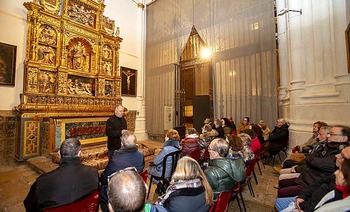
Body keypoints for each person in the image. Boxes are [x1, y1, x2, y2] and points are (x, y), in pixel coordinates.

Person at [24, 138, 99, 211]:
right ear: (80, 153)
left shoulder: (42, 182)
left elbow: (29, 206)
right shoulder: (93, 173)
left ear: (59, 154)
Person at [277, 125, 350, 198]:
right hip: (308, 177)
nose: (328, 136)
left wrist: (308, 161)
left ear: (344, 138)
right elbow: (312, 157)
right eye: (328, 133)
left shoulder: (343, 152)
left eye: (332, 134)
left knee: (282, 193)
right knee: (283, 182)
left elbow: (315, 161)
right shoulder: (329, 146)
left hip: (313, 182)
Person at [275, 146, 350, 212]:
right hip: (308, 193)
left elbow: (320, 204)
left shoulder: (341, 197)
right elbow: (318, 182)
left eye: (342, 156)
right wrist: (302, 196)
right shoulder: (325, 147)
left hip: (308, 187)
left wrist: (303, 206)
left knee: (281, 197)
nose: (336, 156)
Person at [100, 130, 145, 211]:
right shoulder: (140, 155)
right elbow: (141, 170)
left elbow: (105, 179)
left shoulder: (115, 159)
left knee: (102, 189)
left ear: (121, 143)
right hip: (135, 188)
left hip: (119, 191)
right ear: (135, 143)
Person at [148, 129, 181, 194]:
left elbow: (155, 161)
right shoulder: (178, 148)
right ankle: (164, 185)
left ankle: (159, 184)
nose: (164, 138)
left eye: (165, 136)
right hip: (173, 171)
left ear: (168, 138)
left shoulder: (166, 149)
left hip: (164, 173)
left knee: (148, 171)